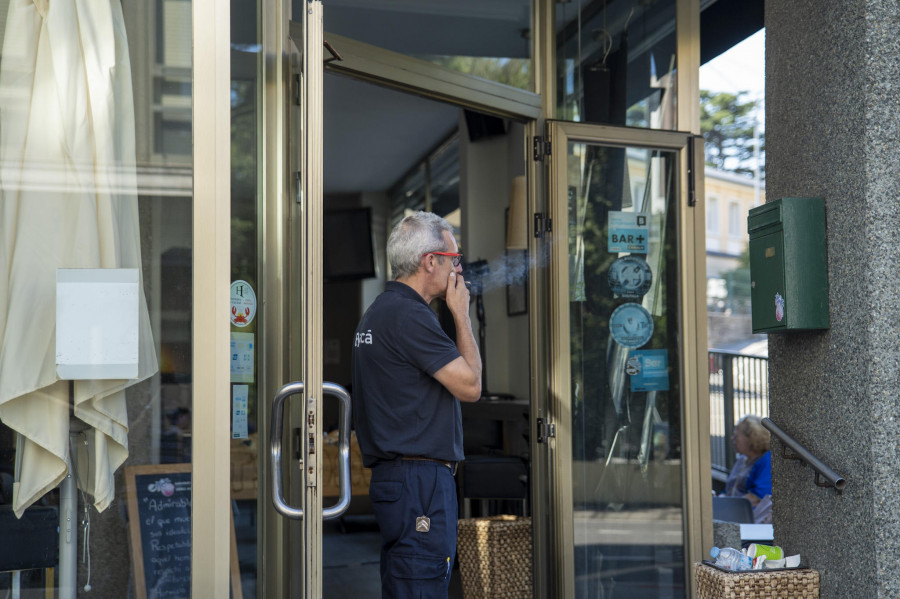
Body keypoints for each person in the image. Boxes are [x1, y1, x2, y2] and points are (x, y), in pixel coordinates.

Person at [352, 211, 482, 598]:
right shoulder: (410, 316)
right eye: (453, 259)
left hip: (401, 481)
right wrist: (461, 315)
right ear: (430, 261)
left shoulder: (380, 311)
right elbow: (471, 386)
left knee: (406, 585)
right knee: (420, 587)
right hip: (419, 483)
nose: (457, 268)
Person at [723, 415, 772, 522]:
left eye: (736, 436)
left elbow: (758, 497)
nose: (732, 439)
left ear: (751, 438)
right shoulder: (742, 459)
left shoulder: (766, 460)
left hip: (750, 517)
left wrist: (726, 506)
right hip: (733, 511)